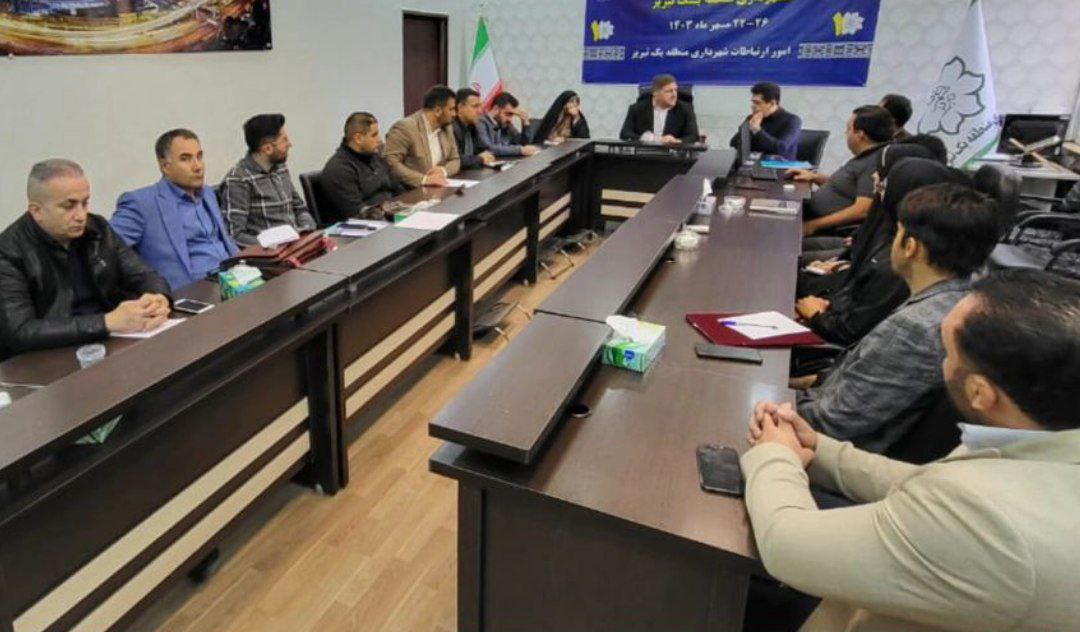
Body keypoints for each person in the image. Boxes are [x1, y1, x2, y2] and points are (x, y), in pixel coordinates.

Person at [743, 269, 1080, 632]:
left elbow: (786, 546)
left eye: (947, 353)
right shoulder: (1042, 445)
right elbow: (921, 481)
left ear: (980, 393)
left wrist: (774, 454)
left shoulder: (986, 519)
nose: (941, 363)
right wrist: (819, 448)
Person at [793, 182, 999, 453]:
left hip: (833, 450)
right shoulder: (962, 297)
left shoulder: (914, 327)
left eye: (897, 232)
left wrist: (771, 402)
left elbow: (831, 422)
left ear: (910, 246)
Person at [0, 160, 171, 358]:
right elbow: (20, 332)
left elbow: (144, 274)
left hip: (110, 342)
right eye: (69, 206)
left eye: (85, 202)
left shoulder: (98, 228)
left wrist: (159, 298)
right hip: (49, 356)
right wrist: (106, 322)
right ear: (36, 211)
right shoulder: (8, 251)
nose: (81, 215)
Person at [797, 151, 969, 348]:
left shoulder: (898, 265)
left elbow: (851, 330)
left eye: (885, 182)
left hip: (833, 333)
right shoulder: (894, 234)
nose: (875, 179)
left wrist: (817, 316)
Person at [112, 129, 239, 290]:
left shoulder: (207, 193)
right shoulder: (141, 203)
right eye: (186, 159)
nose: (198, 166)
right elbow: (107, 250)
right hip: (193, 291)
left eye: (199, 156)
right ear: (165, 166)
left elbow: (225, 242)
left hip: (234, 279)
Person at [791, 105, 895, 237]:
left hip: (827, 229)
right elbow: (845, 186)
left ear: (860, 135)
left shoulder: (873, 162)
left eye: (848, 129)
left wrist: (813, 226)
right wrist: (813, 177)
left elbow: (862, 210)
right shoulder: (866, 156)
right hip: (811, 214)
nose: (846, 133)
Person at [220, 113, 316, 246]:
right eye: (284, 140)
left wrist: (307, 230)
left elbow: (299, 208)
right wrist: (271, 246)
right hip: (272, 252)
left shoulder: (280, 168)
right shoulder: (239, 180)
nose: (290, 144)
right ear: (268, 149)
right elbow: (235, 235)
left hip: (297, 244)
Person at [321, 112, 407, 223]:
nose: (380, 140)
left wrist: (411, 209)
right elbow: (357, 213)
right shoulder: (339, 169)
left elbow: (398, 189)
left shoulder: (376, 157)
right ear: (358, 138)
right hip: (365, 226)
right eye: (374, 135)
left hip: (391, 216)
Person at [384, 85, 462, 188]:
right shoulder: (405, 127)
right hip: (411, 189)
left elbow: (455, 159)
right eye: (451, 109)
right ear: (438, 111)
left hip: (439, 188)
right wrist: (424, 179)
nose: (454, 114)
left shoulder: (447, 128)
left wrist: (443, 170)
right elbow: (390, 162)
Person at [727, 81, 802, 160]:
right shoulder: (752, 118)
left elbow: (781, 148)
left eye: (758, 103)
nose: (753, 106)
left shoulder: (792, 120)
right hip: (754, 164)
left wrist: (757, 130)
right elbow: (733, 143)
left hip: (780, 165)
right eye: (753, 102)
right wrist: (748, 130)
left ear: (772, 103)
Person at [619, 74, 700, 145]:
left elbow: (693, 136)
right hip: (644, 154)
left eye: (675, 90)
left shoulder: (685, 109)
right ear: (655, 93)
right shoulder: (637, 109)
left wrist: (676, 141)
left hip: (673, 155)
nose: (674, 95)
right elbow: (625, 134)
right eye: (669, 91)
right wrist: (654, 139)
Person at [476, 92, 541, 158]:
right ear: (496, 109)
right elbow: (489, 148)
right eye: (507, 114)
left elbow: (523, 144)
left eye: (512, 115)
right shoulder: (481, 122)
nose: (510, 119)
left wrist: (525, 122)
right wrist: (520, 150)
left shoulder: (507, 124)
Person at [452, 88, 496, 170]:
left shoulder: (472, 126)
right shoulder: (451, 128)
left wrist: (487, 155)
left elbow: (482, 150)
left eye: (480, 106)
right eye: (475, 106)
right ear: (460, 107)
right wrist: (480, 159)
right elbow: (455, 160)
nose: (480, 111)